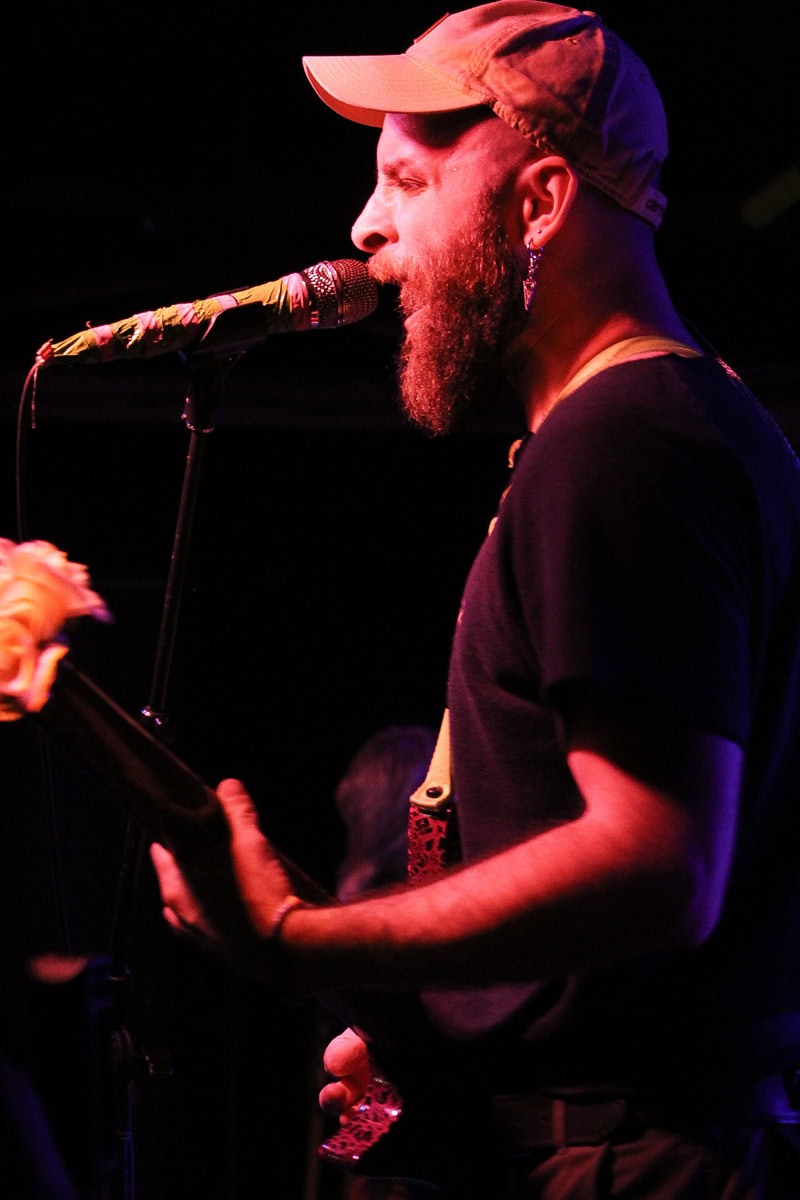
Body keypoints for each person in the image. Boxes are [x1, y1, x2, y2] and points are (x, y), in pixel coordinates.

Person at [151, 4, 800, 1195]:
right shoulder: (669, 424)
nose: (364, 227)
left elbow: (657, 863)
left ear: (539, 204)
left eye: (406, 181)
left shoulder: (626, 442)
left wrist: (301, 942)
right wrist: (441, 1046)